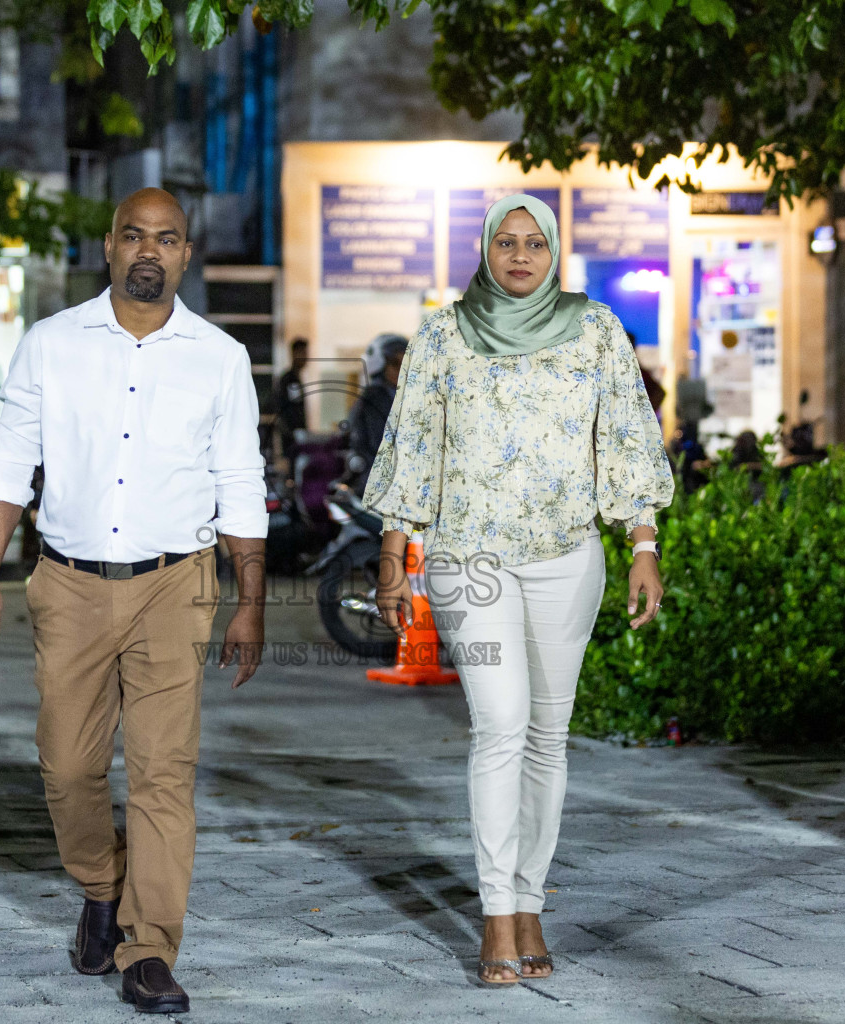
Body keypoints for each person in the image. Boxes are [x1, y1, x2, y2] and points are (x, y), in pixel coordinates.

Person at [0, 188, 267, 1014]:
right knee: (67, 767)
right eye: (134, 234)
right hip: (69, 581)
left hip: (178, 581)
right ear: (108, 245)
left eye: (166, 239)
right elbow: (7, 470)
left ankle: (149, 948)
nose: (148, 251)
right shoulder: (50, 345)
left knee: (165, 773)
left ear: (184, 255)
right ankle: (101, 884)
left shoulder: (219, 356)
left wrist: (249, 602)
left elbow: (241, 480)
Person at [365, 195, 675, 985]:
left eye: (536, 242)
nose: (520, 254)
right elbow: (414, 443)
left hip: (569, 556)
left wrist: (643, 543)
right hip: (470, 557)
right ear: (485, 247)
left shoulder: (596, 328)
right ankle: (497, 914)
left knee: (546, 736)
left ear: (555, 250)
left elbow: (629, 437)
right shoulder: (443, 331)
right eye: (506, 240)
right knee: (499, 726)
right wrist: (394, 548)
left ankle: (531, 900)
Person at [345, 333, 406, 495]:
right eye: (395, 364)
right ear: (380, 366)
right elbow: (379, 442)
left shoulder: (405, 396)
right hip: (378, 480)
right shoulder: (374, 398)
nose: (401, 370)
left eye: (405, 364)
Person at [266, 337, 309, 465]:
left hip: (297, 435)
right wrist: (292, 433)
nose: (306, 358)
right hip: (292, 437)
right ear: (295, 354)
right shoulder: (289, 380)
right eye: (303, 353)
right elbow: (284, 408)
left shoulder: (296, 378)